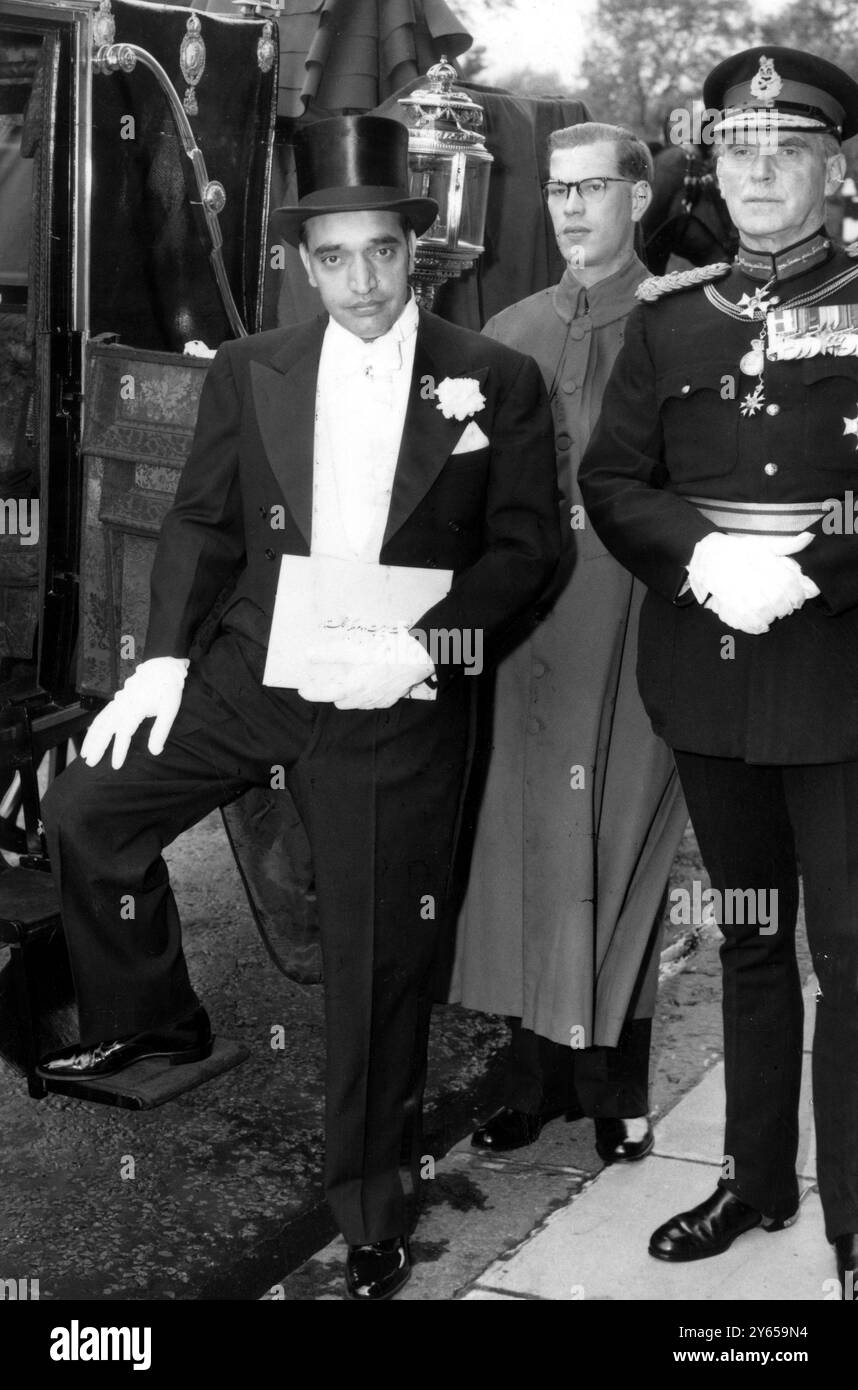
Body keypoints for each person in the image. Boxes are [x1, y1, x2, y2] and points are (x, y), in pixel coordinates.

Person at [36, 115, 560, 1301]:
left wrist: (430, 647)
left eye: (383, 253)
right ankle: (158, 1017)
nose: (363, 282)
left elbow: (530, 552)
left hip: (393, 702)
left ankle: (372, 1203)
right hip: (251, 671)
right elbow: (206, 522)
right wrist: (161, 658)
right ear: (305, 264)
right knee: (87, 813)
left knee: (377, 965)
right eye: (337, 258)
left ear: (412, 252)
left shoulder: (496, 378)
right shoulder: (249, 367)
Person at [579, 47, 858, 1297]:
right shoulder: (671, 313)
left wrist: (814, 565)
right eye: (738, 149)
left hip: (841, 666)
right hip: (708, 666)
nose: (756, 169)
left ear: (834, 167)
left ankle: (853, 1221)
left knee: (850, 958)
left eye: (785, 148)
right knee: (749, 933)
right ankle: (755, 1176)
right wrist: (702, 562)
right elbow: (613, 480)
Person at [450, 122, 688, 1163]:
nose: (572, 208)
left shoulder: (685, 319)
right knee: (518, 851)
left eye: (594, 188)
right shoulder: (508, 325)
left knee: (617, 846)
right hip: (524, 633)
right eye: (556, 190)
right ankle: (529, 1079)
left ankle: (611, 1087)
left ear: (639, 197)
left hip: (635, 628)